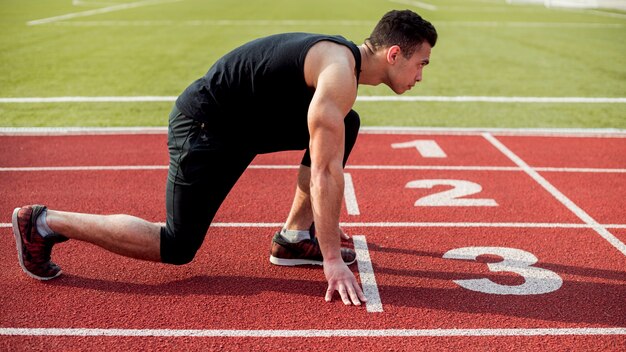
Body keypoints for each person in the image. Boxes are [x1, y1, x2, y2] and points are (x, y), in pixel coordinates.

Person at [11, 9, 437, 306]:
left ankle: (291, 239)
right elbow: (325, 171)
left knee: (348, 123)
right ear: (393, 54)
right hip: (205, 128)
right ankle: (44, 222)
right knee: (177, 245)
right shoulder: (339, 74)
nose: (420, 76)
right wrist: (330, 260)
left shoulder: (341, 66)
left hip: (243, 124)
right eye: (421, 63)